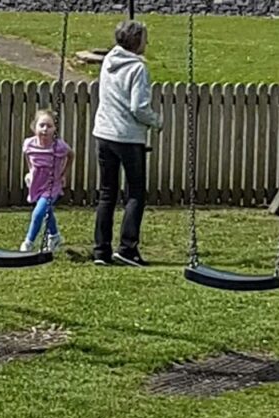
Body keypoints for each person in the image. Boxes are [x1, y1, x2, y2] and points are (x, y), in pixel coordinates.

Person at [91, 19, 162, 267]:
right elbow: (138, 107)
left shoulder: (109, 61)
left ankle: (101, 250)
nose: (147, 42)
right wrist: (156, 121)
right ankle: (127, 248)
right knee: (135, 193)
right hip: (128, 137)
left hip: (103, 134)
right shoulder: (138, 69)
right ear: (136, 42)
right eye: (144, 38)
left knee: (107, 194)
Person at [20, 110, 71, 253]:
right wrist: (30, 172)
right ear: (34, 127)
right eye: (41, 125)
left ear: (54, 129)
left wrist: (63, 173)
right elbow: (28, 157)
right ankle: (54, 236)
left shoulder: (58, 146)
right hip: (37, 183)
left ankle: (28, 242)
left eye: (49, 126)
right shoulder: (29, 144)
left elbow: (71, 155)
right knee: (47, 210)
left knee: (38, 213)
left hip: (51, 185)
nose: (45, 129)